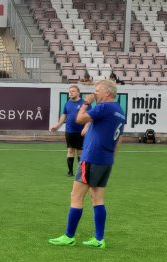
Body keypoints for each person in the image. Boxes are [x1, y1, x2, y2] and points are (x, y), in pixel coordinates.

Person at [48, 79, 126, 248]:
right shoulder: (119, 110)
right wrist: (110, 156)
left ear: (107, 93)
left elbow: (79, 118)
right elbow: (119, 138)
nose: (94, 93)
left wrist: (85, 103)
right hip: (106, 160)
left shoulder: (104, 107)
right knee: (97, 198)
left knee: (76, 196)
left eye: (97, 90)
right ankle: (99, 239)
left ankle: (69, 236)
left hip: (91, 158)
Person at [49, 84, 86, 177]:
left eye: (73, 91)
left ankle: (81, 173)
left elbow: (90, 117)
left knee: (80, 152)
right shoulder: (67, 103)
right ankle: (70, 172)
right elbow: (64, 116)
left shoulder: (84, 104)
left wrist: (86, 128)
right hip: (69, 131)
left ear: (78, 93)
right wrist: (57, 125)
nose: (71, 93)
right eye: (70, 91)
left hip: (80, 132)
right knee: (70, 151)